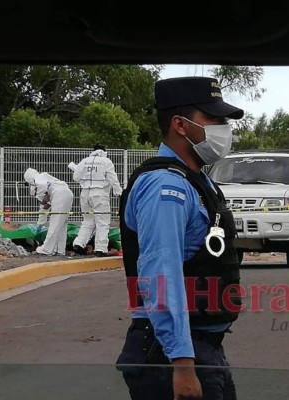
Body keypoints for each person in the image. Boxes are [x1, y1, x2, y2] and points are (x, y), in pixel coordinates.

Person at [116, 76, 244, 400]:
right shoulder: (165, 187)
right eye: (213, 119)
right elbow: (162, 275)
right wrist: (183, 365)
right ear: (180, 125)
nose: (223, 127)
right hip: (170, 356)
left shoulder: (196, 181)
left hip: (202, 350)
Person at [71, 143, 123, 257]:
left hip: (85, 194)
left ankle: (79, 244)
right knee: (102, 223)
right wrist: (119, 193)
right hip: (100, 194)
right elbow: (113, 178)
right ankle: (100, 248)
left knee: (87, 221)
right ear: (104, 151)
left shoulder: (84, 161)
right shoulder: (106, 162)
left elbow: (76, 177)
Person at [24, 168, 74, 256]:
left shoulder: (39, 179)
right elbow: (44, 207)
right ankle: (59, 250)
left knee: (55, 223)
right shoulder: (47, 179)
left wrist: (42, 198)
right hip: (67, 193)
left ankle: (47, 249)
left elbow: (43, 199)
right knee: (62, 224)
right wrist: (40, 223)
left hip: (60, 195)